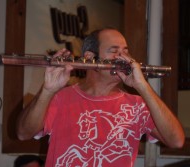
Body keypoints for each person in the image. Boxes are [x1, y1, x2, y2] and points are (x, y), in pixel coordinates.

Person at [16, 27, 185, 167]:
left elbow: (176, 141)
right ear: (90, 58)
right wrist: (47, 90)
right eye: (114, 51)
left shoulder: (137, 105)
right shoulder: (59, 97)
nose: (123, 59)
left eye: (125, 52)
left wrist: (143, 87)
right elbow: (23, 133)